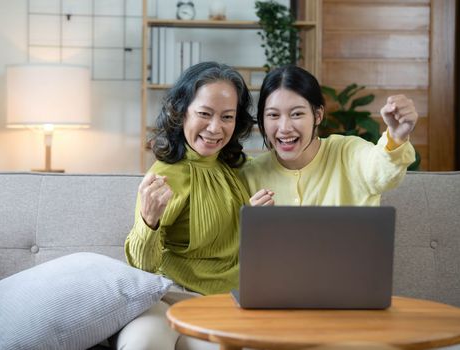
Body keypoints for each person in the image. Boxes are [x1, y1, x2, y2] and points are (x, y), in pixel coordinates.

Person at [118, 61, 253, 349]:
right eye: (204, 114)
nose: (215, 128)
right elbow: (142, 268)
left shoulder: (238, 171)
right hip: (166, 297)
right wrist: (148, 222)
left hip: (224, 303)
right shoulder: (165, 176)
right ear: (180, 113)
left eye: (227, 117)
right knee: (142, 343)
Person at [239, 65, 418, 206]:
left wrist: (396, 136)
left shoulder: (348, 153)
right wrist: (254, 223)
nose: (284, 128)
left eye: (296, 114)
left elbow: (382, 172)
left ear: (317, 115)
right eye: (273, 115)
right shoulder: (251, 175)